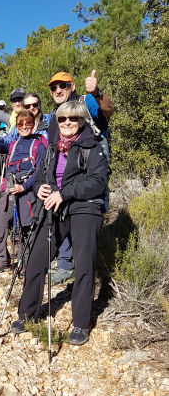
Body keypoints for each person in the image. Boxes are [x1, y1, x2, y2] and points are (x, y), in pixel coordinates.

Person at [10, 100, 109, 346]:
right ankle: (27, 315)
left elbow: (98, 181)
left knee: (84, 264)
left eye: (73, 119)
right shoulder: (53, 147)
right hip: (54, 206)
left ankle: (80, 324)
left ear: (82, 121)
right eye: (62, 119)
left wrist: (65, 192)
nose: (67, 123)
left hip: (85, 208)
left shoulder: (93, 146)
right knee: (35, 259)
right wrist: (41, 188)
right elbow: (42, 175)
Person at [47, 70, 114, 284]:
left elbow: (108, 111)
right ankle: (66, 264)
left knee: (85, 219)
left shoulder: (86, 102)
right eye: (54, 87)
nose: (58, 90)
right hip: (62, 176)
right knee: (61, 214)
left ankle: (88, 267)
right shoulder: (53, 114)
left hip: (88, 173)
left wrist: (97, 92)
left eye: (63, 86)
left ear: (72, 86)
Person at [0, 109, 46, 272]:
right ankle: (2, 261)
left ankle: (23, 263)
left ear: (33, 125)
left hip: (27, 192)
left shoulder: (39, 145)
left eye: (28, 123)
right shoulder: (14, 144)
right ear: (17, 126)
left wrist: (24, 186)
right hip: (9, 191)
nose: (24, 126)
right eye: (20, 123)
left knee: (26, 230)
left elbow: (40, 173)